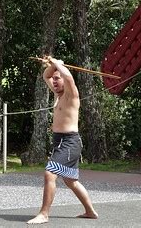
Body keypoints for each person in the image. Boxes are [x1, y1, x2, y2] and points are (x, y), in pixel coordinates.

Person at [27, 56, 98, 224]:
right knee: (71, 181)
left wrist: (58, 63)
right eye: (55, 79)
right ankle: (90, 211)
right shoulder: (57, 94)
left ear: (64, 80)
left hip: (69, 142)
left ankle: (44, 214)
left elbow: (69, 77)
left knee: (49, 173)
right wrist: (52, 65)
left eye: (58, 79)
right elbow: (46, 76)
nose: (55, 81)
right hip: (60, 141)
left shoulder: (71, 95)